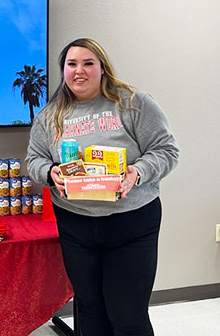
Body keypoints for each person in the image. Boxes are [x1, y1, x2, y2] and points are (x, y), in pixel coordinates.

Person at [26, 38, 179, 336]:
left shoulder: (133, 103)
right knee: (90, 311)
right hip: (76, 227)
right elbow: (34, 160)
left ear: (102, 68)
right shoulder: (49, 115)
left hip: (132, 224)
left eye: (88, 63)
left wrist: (138, 171)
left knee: (127, 316)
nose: (79, 71)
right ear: (63, 70)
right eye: (72, 64)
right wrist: (50, 173)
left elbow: (166, 150)